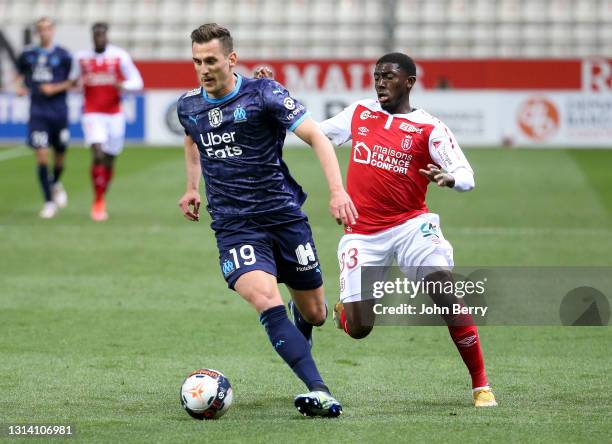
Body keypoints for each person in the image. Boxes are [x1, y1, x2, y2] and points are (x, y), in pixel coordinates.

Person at [256, 53, 497, 408]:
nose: (380, 82)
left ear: (410, 82)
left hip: (412, 225)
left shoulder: (429, 128)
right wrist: (278, 96)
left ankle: (481, 386)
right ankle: (340, 311)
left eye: (389, 76)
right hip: (362, 234)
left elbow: (467, 175)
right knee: (359, 328)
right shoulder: (359, 113)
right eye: (377, 75)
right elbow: (316, 133)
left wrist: (450, 178)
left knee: (445, 291)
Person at [177, 23, 357, 417]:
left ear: (231, 59)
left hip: (283, 217)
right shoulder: (189, 105)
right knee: (265, 299)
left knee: (315, 313)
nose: (203, 69)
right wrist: (192, 187)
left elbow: (317, 137)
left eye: (210, 60)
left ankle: (303, 332)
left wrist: (338, 191)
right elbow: (192, 136)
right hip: (234, 225)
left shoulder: (265, 95)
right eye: (196, 61)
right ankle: (319, 389)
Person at [68, 22, 143, 221]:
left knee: (110, 158)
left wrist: (123, 85)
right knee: (98, 153)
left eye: (102, 34)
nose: (99, 37)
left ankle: (102, 192)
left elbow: (138, 81)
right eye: (96, 34)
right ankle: (98, 200)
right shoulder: (81, 57)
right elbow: (73, 78)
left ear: (107, 36)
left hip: (114, 114)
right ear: (92, 36)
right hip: (92, 112)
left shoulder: (119, 56)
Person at [15, 17, 71, 219]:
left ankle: (55, 182)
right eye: (41, 29)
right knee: (41, 155)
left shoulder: (63, 55)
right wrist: (20, 87)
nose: (44, 32)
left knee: (60, 156)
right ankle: (48, 202)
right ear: (37, 32)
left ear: (53, 31)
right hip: (38, 113)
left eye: (48, 29)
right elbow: (20, 77)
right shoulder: (28, 55)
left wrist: (54, 88)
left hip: (59, 112)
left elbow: (73, 82)